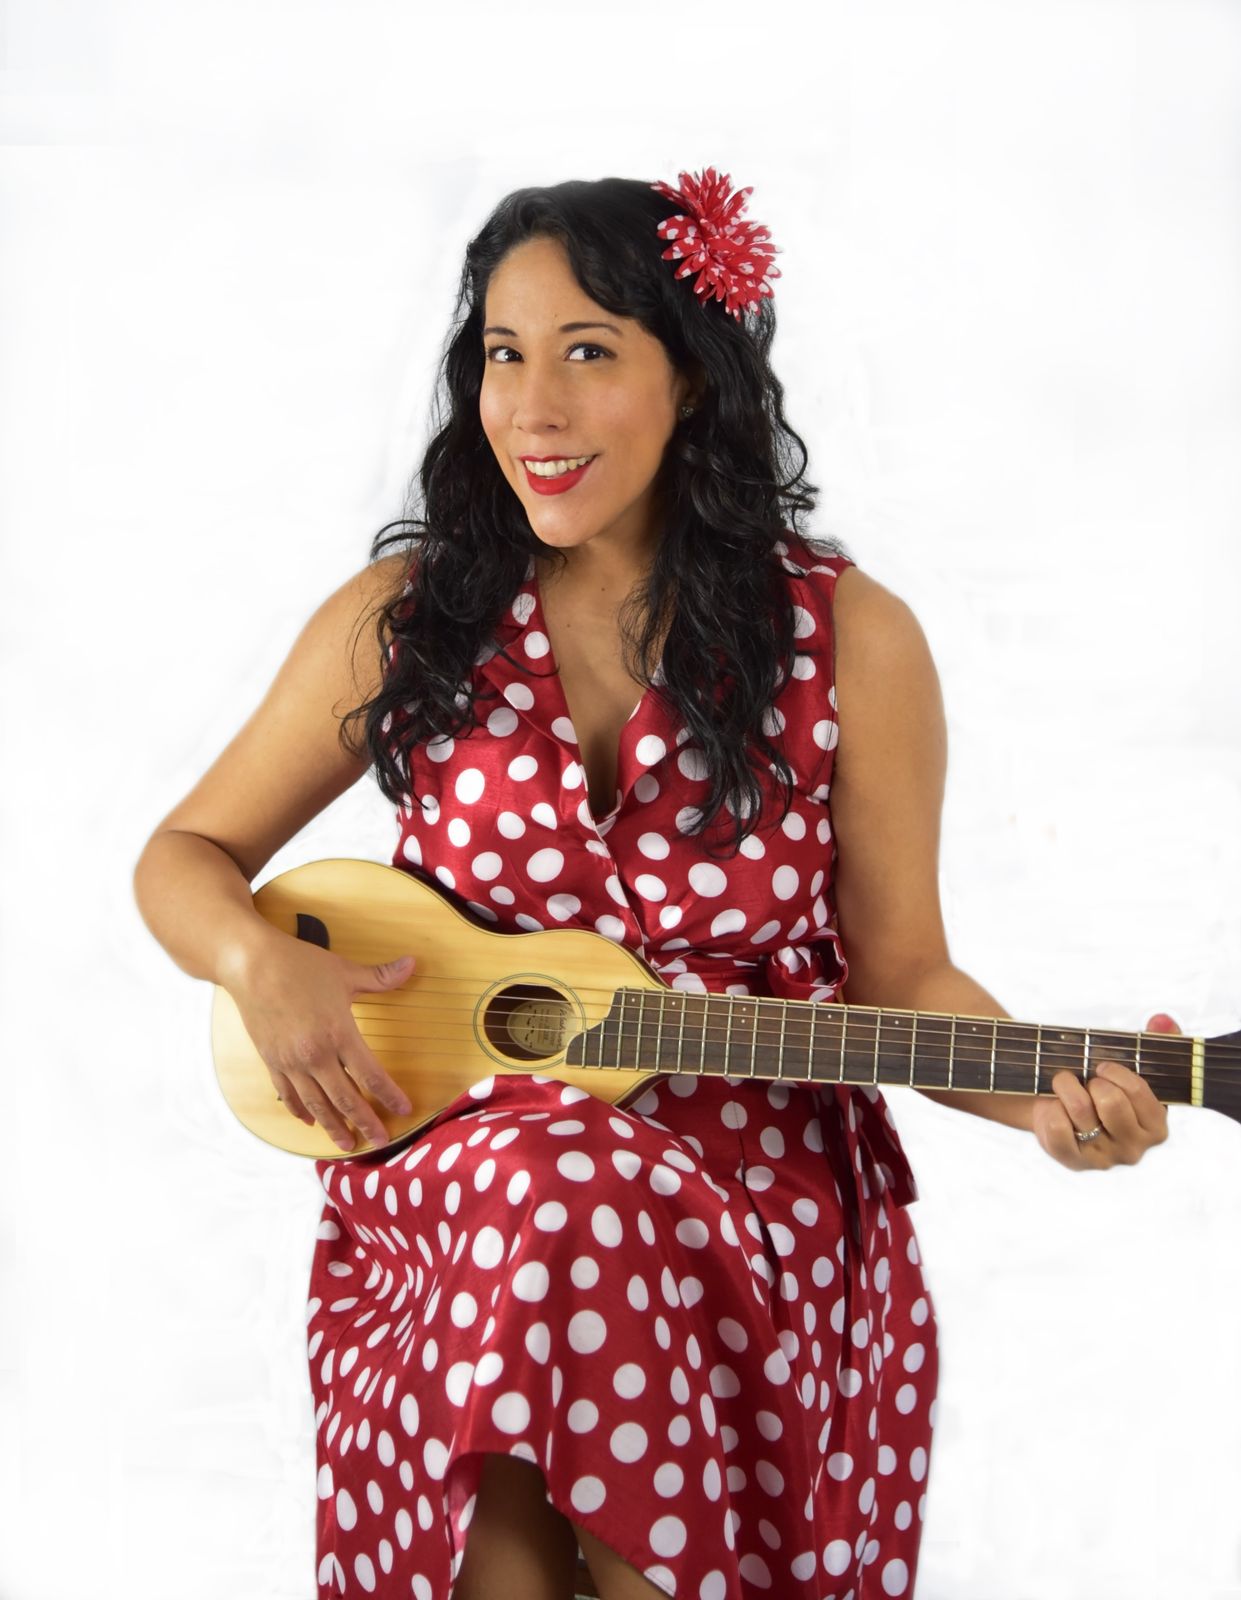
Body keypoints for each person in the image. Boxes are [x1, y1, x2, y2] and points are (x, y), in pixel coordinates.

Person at [132, 169, 1172, 1600]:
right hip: (464, 1202)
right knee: (554, 1182)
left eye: (588, 352)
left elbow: (906, 973)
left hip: (751, 1206)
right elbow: (184, 858)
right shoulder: (406, 622)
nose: (533, 408)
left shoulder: (851, 642)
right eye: (504, 355)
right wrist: (261, 963)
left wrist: (1051, 1099)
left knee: (571, 1194)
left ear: (694, 378)